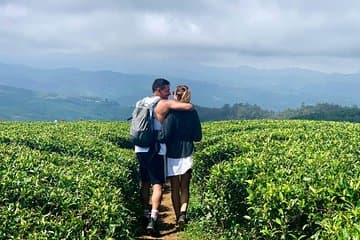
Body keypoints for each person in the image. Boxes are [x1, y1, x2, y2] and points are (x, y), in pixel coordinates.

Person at [134, 78, 193, 235]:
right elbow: (187, 106)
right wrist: (182, 98)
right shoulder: (163, 103)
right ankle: (153, 219)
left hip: (140, 147)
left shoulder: (141, 102)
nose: (169, 93)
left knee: (145, 182)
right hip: (155, 149)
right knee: (158, 185)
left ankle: (145, 213)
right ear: (158, 90)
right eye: (167, 90)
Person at [159, 85, 202, 230]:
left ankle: (178, 218)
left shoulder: (171, 113)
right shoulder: (193, 112)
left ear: (174, 96)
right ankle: (183, 214)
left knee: (174, 188)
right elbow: (198, 136)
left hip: (172, 153)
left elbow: (164, 135)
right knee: (185, 187)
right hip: (188, 152)